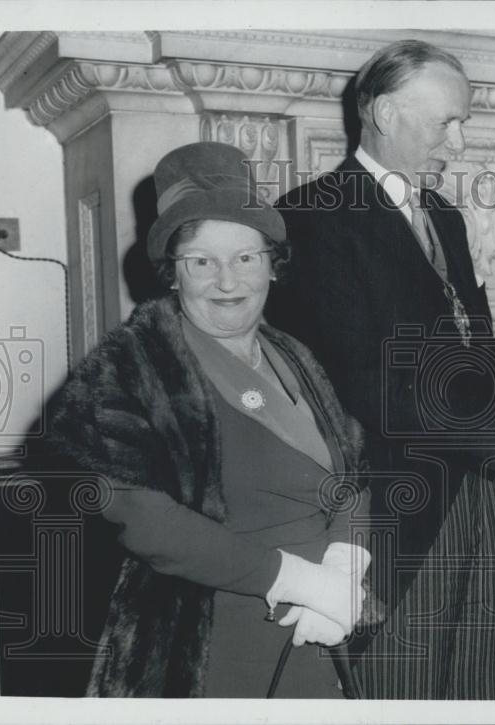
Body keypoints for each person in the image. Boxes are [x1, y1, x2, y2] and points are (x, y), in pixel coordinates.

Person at [268, 40, 495, 699]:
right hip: (392, 515)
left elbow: (477, 358)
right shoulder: (312, 216)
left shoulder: (444, 215)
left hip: (479, 497)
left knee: (485, 686)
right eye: (448, 121)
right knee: (402, 692)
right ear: (384, 112)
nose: (461, 143)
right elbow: (368, 384)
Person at [40, 142, 372, 697]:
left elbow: (353, 470)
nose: (227, 280)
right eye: (201, 261)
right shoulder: (129, 369)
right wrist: (298, 580)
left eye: (246, 257)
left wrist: (346, 562)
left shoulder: (295, 354)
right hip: (212, 642)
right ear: (172, 273)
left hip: (325, 627)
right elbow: (144, 519)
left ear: (273, 265)